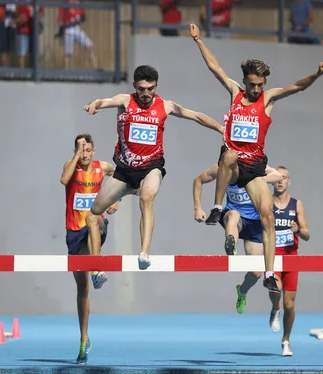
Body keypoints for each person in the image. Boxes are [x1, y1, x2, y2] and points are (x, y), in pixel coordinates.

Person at [188, 23, 323, 294]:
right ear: (245, 81)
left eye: (259, 85)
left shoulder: (268, 98)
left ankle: (269, 272)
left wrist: (317, 74)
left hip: (254, 168)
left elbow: (298, 86)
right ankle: (218, 207)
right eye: (251, 85)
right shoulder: (235, 92)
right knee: (228, 155)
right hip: (234, 165)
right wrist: (198, 41)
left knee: (267, 217)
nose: (255, 90)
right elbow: (214, 68)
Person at [83, 64, 224, 270]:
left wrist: (220, 128)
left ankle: (144, 252)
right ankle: (130, 189)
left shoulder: (165, 106)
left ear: (156, 86)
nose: (146, 94)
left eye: (150, 89)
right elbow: (105, 101)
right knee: (95, 210)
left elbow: (195, 115)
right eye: (141, 89)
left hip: (152, 166)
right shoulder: (125, 100)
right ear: (134, 86)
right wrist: (94, 103)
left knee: (147, 197)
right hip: (124, 169)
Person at [235, 166, 310, 357]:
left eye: (284, 178)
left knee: (290, 304)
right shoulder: (264, 202)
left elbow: (307, 234)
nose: (280, 181)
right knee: (274, 288)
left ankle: (286, 340)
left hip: (291, 257)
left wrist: (298, 230)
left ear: (288, 181)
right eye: (277, 177)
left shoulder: (296, 205)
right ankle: (274, 308)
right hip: (272, 256)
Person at [60, 133, 120, 364]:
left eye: (87, 150)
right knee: (82, 290)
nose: (84, 154)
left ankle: (96, 268)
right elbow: (65, 180)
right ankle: (84, 338)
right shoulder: (71, 166)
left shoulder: (103, 167)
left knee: (95, 221)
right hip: (74, 231)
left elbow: (126, 181)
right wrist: (75, 156)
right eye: (80, 150)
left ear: (94, 151)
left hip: (94, 226)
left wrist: (116, 199)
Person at [193, 163, 282, 256]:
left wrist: (256, 180)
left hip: (255, 220)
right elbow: (198, 180)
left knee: (256, 270)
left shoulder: (255, 167)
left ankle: (252, 269)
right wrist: (197, 208)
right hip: (236, 217)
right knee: (233, 215)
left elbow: (278, 176)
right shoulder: (221, 169)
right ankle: (231, 249)